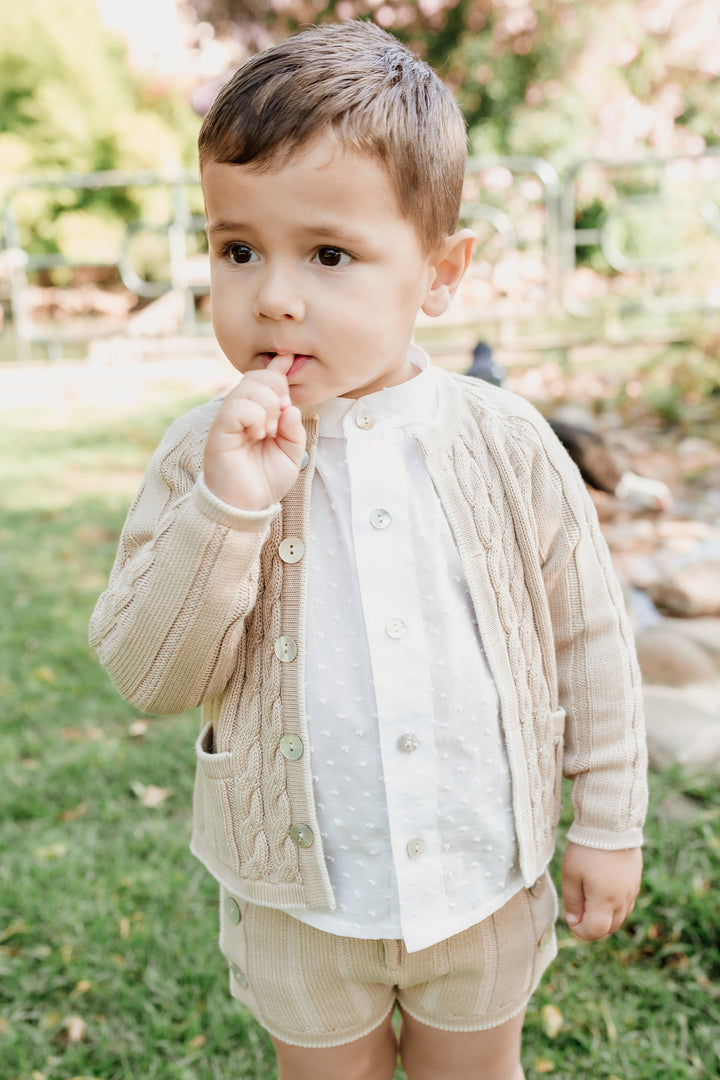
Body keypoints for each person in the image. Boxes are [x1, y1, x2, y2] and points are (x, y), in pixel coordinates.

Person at [89, 20, 647, 1080]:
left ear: (439, 274)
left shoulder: (507, 445)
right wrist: (228, 511)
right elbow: (149, 676)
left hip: (484, 876)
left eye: (329, 254)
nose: (275, 295)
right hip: (300, 897)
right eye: (236, 248)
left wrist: (608, 824)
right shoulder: (199, 459)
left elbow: (591, 642)